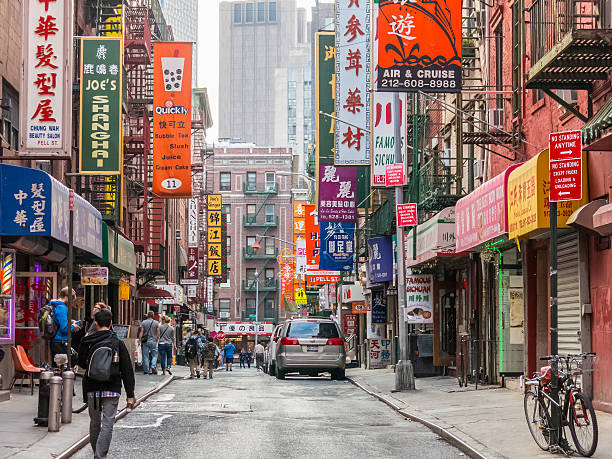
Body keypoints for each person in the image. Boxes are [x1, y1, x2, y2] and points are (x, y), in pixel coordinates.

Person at [78, 308, 135, 459]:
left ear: (96, 324)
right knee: (108, 424)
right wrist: (130, 394)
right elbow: (127, 369)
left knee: (95, 423)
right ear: (111, 323)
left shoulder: (87, 341)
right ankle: (99, 456)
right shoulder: (117, 342)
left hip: (92, 387)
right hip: (112, 387)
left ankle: (97, 453)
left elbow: (81, 363)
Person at [50, 287, 81, 366]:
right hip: (60, 341)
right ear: (67, 297)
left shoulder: (55, 305)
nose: (71, 302)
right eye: (71, 299)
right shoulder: (62, 307)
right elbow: (64, 328)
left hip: (56, 340)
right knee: (61, 367)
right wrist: (74, 327)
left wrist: (70, 322)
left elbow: (58, 321)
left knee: (57, 365)